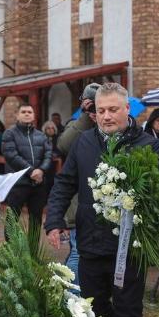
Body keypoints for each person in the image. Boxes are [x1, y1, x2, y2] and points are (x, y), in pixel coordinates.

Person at [44, 83, 159, 317]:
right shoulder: (85, 142)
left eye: (113, 109)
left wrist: (138, 195)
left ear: (127, 109)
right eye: (101, 110)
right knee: (95, 307)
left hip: (130, 245)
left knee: (128, 308)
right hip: (90, 241)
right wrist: (55, 220)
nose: (106, 116)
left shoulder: (148, 145)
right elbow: (65, 182)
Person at [56, 83, 101, 288]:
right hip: (79, 208)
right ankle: (72, 299)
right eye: (92, 105)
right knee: (77, 253)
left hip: (102, 207)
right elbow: (64, 145)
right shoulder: (76, 125)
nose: (96, 111)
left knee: (85, 256)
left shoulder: (108, 127)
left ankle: (69, 291)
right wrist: (85, 116)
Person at [2, 104, 53, 237]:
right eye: (23, 111)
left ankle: (33, 254)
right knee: (12, 221)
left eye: (29, 111)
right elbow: (11, 155)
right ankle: (10, 255)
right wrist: (31, 171)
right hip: (17, 183)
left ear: (34, 115)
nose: (26, 114)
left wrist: (41, 170)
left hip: (38, 184)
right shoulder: (9, 133)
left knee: (36, 221)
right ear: (17, 115)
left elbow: (48, 155)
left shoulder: (41, 136)